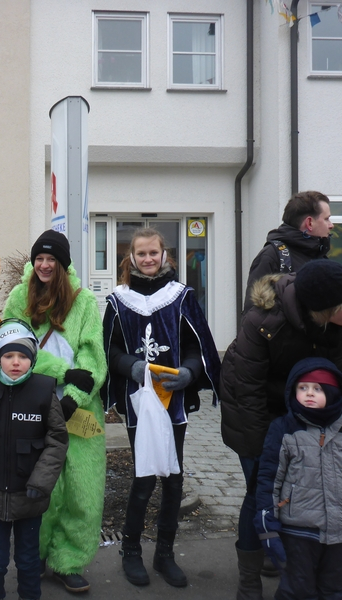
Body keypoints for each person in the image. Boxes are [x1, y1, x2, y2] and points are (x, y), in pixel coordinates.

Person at [219, 259, 342, 600]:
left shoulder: (337, 323)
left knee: (304, 490)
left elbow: (340, 378)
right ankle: (249, 579)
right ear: (324, 307)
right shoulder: (264, 321)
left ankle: (302, 561)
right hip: (254, 412)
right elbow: (247, 390)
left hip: (303, 410)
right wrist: (263, 451)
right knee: (260, 493)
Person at [102, 227, 220, 589]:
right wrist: (132, 367)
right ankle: (131, 552)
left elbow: (197, 345)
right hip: (138, 402)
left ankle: (165, 553)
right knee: (143, 478)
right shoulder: (118, 301)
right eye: (141, 254)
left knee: (173, 478)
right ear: (131, 258)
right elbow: (110, 351)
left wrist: (190, 372)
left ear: (164, 254)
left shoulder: (181, 297)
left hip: (173, 401)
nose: (148, 259)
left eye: (154, 252)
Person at [3, 229, 107, 593]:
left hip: (80, 409)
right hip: (33, 404)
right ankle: (35, 555)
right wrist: (63, 372)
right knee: (38, 485)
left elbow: (93, 356)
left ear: (63, 265)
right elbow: (13, 348)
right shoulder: (19, 297)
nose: (44, 265)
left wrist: (74, 396)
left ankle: (69, 561)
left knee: (82, 489)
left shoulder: (84, 301)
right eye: (39, 259)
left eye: (51, 259)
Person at [254, 357, 342, 599]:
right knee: (297, 590)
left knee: (337, 589)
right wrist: (268, 529)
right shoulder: (285, 430)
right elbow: (268, 481)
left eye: (318, 388)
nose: (309, 393)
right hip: (299, 531)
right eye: (302, 387)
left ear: (333, 392)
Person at [0, 319, 68, 600]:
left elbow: (57, 439)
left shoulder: (43, 390)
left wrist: (41, 481)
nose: (16, 362)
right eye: (8, 355)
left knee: (28, 558)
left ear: (32, 359)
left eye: (23, 355)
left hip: (29, 496)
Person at [243, 191, 333, 314]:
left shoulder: (320, 256)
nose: (331, 225)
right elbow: (253, 315)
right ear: (309, 223)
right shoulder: (272, 256)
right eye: (326, 219)